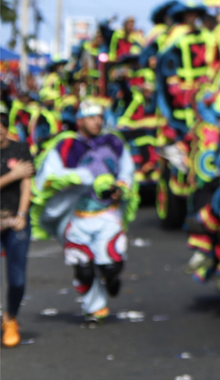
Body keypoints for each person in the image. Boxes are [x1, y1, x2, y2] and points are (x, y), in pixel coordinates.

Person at [33, 99, 135, 324]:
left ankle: (110, 278)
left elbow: (127, 171)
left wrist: (120, 187)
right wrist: (77, 178)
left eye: (99, 117)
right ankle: (95, 308)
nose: (96, 121)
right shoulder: (66, 146)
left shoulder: (113, 143)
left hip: (108, 214)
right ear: (79, 121)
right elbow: (46, 179)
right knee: (84, 270)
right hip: (76, 217)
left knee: (109, 266)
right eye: (91, 117)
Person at [0, 119, 31, 346]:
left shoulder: (19, 148)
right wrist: (12, 175)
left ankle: (11, 318)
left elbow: (26, 184)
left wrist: (21, 215)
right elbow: (17, 177)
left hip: (15, 219)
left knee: (17, 279)